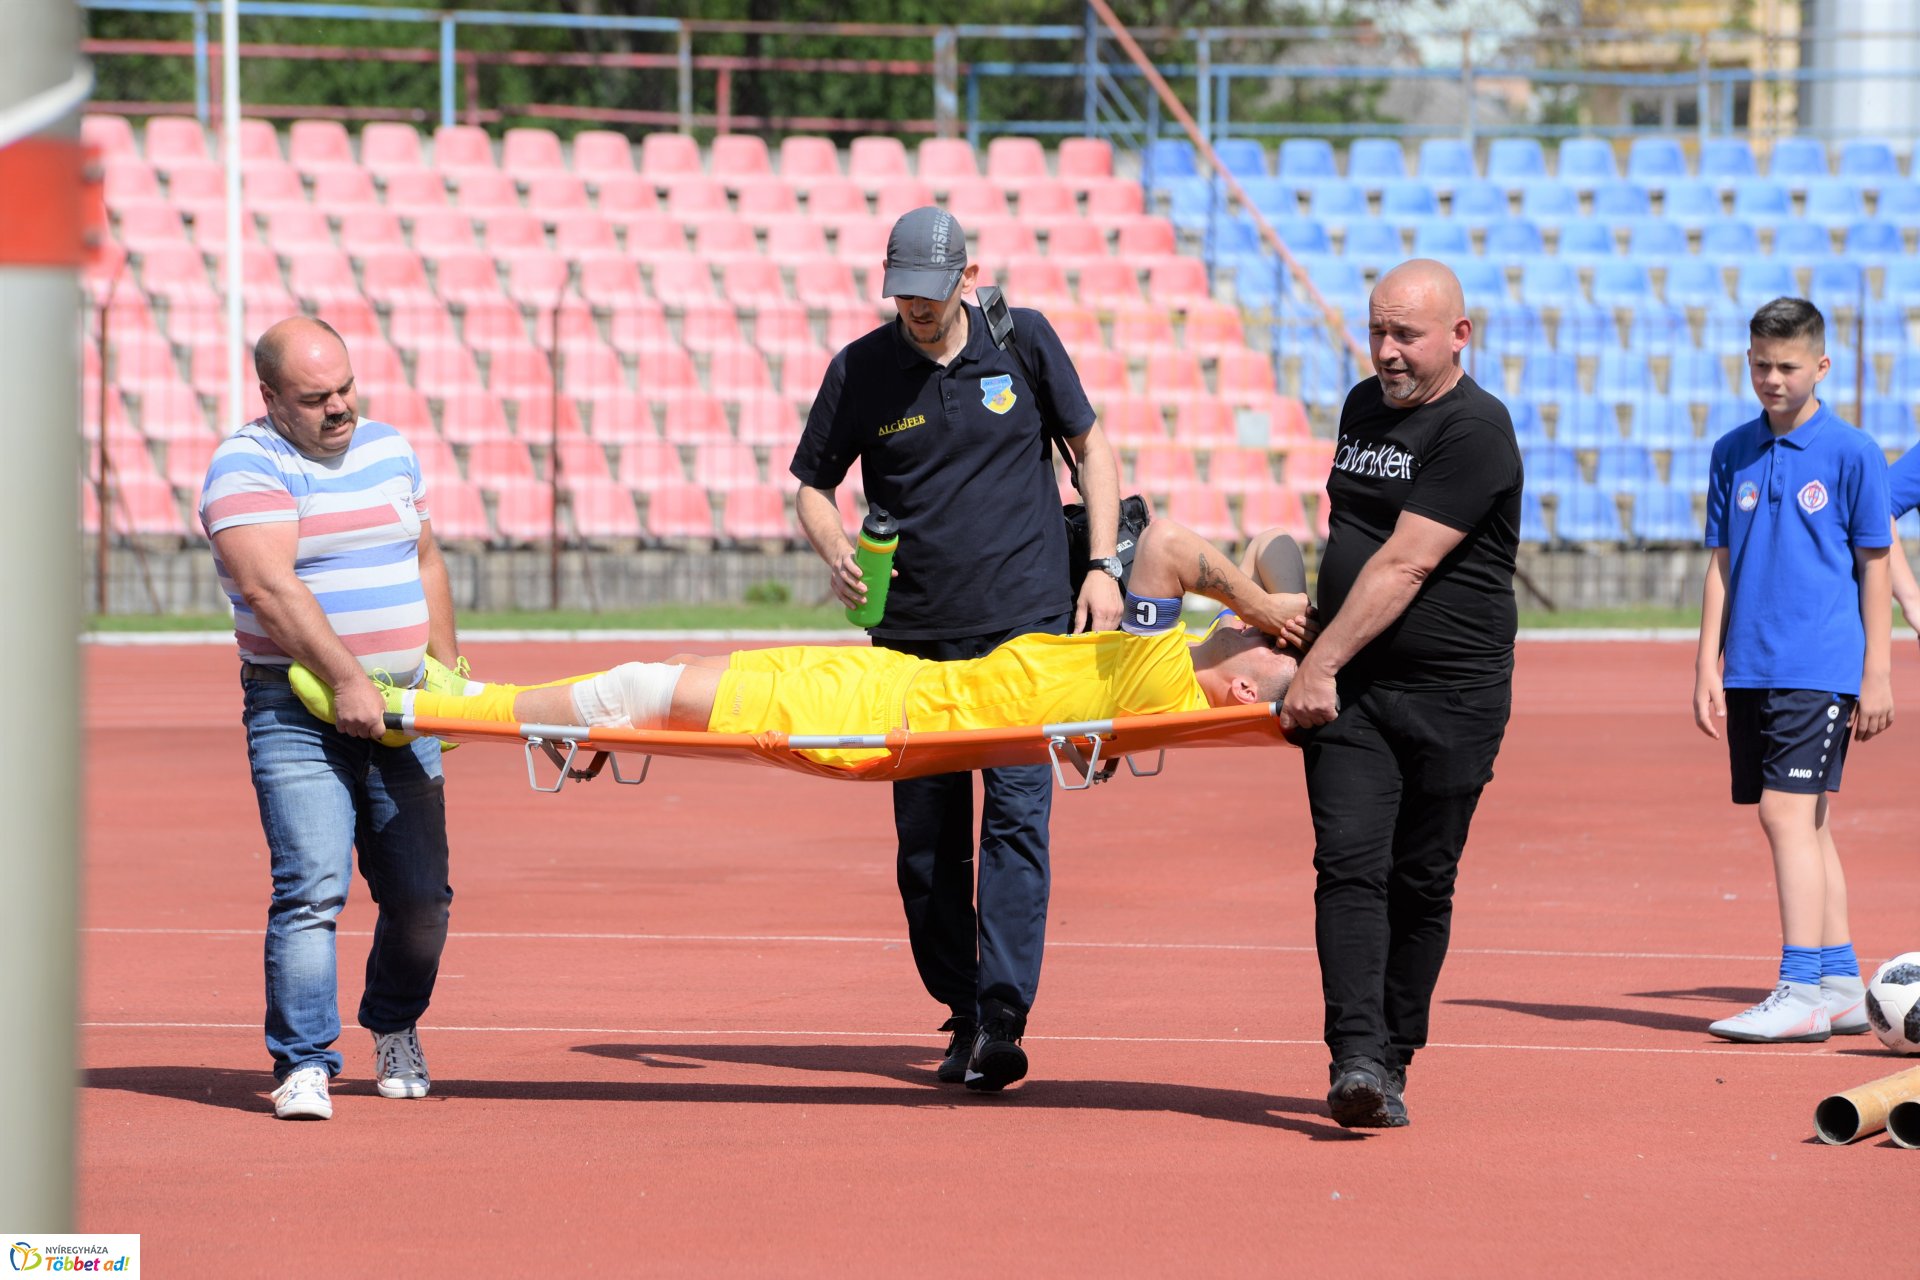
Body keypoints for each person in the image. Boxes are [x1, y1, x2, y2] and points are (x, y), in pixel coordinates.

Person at [788, 205, 1128, 1090]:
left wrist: (1101, 566)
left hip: (1027, 629)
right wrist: (834, 552)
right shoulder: (860, 369)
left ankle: (1006, 1016)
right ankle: (963, 1007)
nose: (918, 309)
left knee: (1017, 819)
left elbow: (1092, 450)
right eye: (904, 293)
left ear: (968, 280)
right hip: (913, 644)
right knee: (928, 845)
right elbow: (812, 488)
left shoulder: (1026, 341)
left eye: (933, 294)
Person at [290, 519, 1311, 775]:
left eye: (1249, 636)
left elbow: (1175, 544)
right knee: (645, 684)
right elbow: (1257, 554)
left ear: (1241, 677)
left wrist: (1262, 606)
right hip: (902, 680)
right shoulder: (1188, 661)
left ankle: (443, 711)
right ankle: (458, 692)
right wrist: (1274, 601)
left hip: (877, 721)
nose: (1239, 624)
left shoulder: (1156, 674)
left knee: (640, 690)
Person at [198, 316, 462, 1121]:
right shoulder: (247, 466)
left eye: (346, 387)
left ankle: (394, 1025)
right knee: (312, 887)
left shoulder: (388, 449)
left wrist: (449, 675)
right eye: (317, 398)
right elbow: (271, 590)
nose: (340, 407)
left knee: (422, 898)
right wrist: (346, 679)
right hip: (297, 706)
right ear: (272, 399)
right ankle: (304, 1060)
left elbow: (424, 558)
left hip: (405, 706)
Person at [1279, 259, 1522, 1130]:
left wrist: (1317, 666)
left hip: (1453, 696)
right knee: (1347, 867)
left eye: (1405, 335)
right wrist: (1312, 635)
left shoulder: (1476, 430)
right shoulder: (1358, 406)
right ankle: (1355, 1057)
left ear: (1460, 336)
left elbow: (1407, 561)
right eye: (1377, 331)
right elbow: (1352, 531)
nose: (1386, 351)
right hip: (1359, 691)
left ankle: (1394, 1054)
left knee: (1422, 879)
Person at [1692, 297, 1892, 1044]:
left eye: (1786, 366)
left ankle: (1799, 985)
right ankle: (1839, 982)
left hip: (1820, 664)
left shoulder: (1852, 452)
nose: (1771, 379)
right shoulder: (1731, 451)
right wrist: (1706, 662)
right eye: (1759, 365)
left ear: (1820, 366)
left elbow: (1875, 567)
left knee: (1784, 815)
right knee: (1809, 820)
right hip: (1751, 664)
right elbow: (1718, 564)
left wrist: (1879, 674)